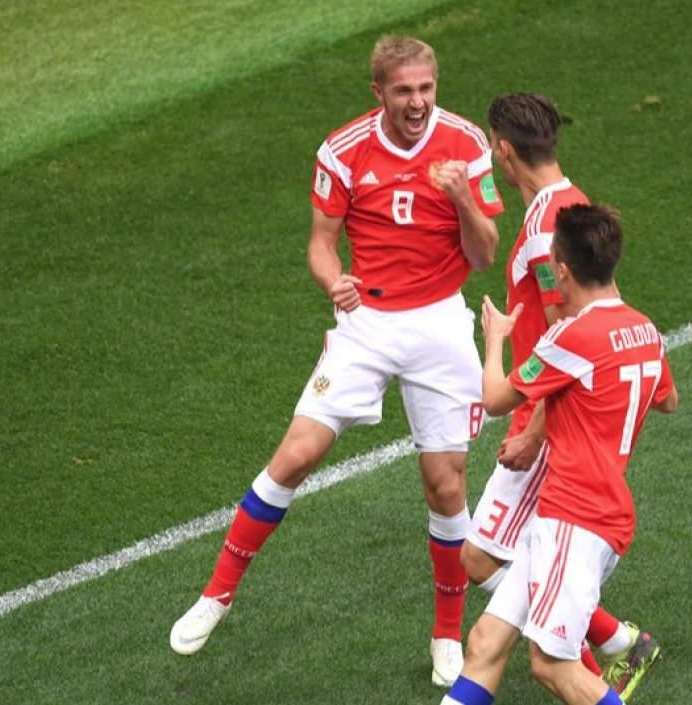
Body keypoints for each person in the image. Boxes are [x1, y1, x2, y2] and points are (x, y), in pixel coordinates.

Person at [169, 36, 503, 686]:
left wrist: (463, 196)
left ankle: (445, 633)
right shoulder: (344, 150)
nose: (418, 103)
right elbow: (321, 245)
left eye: (426, 89)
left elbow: (485, 254)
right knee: (295, 454)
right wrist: (334, 284)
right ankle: (217, 593)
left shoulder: (464, 144)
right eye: (404, 91)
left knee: (446, 482)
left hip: (439, 323)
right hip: (367, 323)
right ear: (377, 91)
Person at [460, 92, 659, 699]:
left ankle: (601, 657)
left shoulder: (551, 226)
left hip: (546, 420)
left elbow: (564, 334)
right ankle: (618, 644)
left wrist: (532, 432)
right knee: (485, 566)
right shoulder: (557, 207)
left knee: (488, 568)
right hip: (543, 411)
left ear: (503, 148)